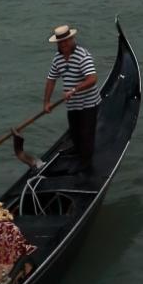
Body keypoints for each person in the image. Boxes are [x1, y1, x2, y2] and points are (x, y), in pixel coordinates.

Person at [42, 24, 100, 174]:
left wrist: (74, 89)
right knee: (74, 132)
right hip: (72, 104)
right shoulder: (58, 58)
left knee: (86, 134)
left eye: (66, 41)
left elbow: (92, 79)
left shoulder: (83, 56)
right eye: (60, 42)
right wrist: (46, 102)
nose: (64, 44)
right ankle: (77, 149)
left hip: (88, 103)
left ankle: (86, 164)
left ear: (72, 39)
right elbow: (51, 80)